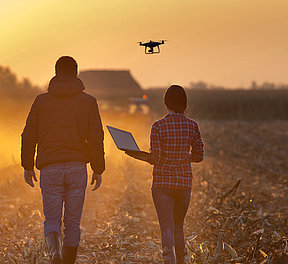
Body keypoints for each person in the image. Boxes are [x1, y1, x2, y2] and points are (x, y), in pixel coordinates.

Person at [21, 56, 105, 264]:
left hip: (50, 168)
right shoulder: (89, 101)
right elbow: (96, 137)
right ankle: (68, 261)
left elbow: (29, 134)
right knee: (73, 223)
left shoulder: (41, 101)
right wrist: (98, 168)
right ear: (76, 73)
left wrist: (27, 165)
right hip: (77, 168)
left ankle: (54, 254)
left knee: (51, 219)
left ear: (56, 72)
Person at [125, 85, 204, 264]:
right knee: (178, 226)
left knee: (166, 227)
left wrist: (136, 154)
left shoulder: (158, 126)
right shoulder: (192, 125)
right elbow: (199, 156)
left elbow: (156, 158)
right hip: (184, 183)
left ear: (166, 103)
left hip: (162, 184)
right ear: (185, 103)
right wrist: (183, 157)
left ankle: (169, 261)